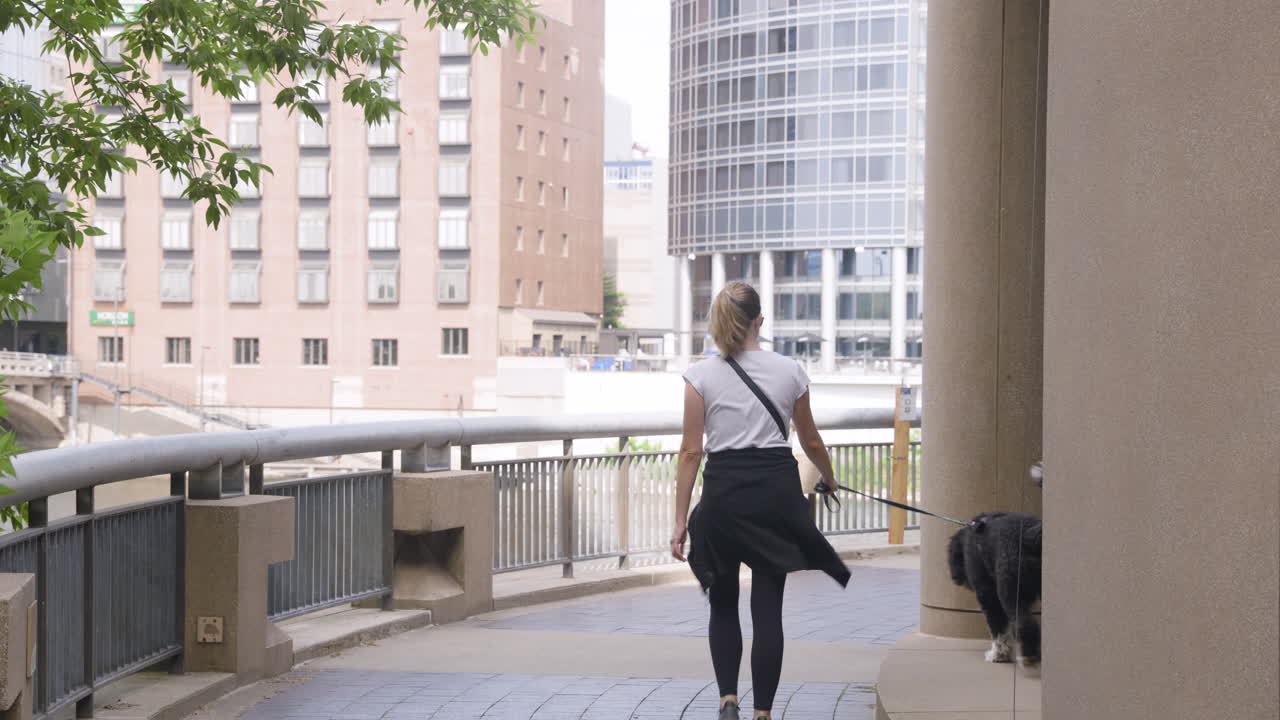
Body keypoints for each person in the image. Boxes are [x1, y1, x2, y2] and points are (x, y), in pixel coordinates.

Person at [670, 281, 850, 720]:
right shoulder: (790, 370)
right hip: (774, 496)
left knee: (723, 603)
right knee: (768, 611)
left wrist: (679, 520)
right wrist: (829, 478)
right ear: (759, 321)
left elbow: (691, 451)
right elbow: (809, 439)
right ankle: (763, 713)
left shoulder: (700, 376)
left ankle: (727, 701)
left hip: (723, 497)